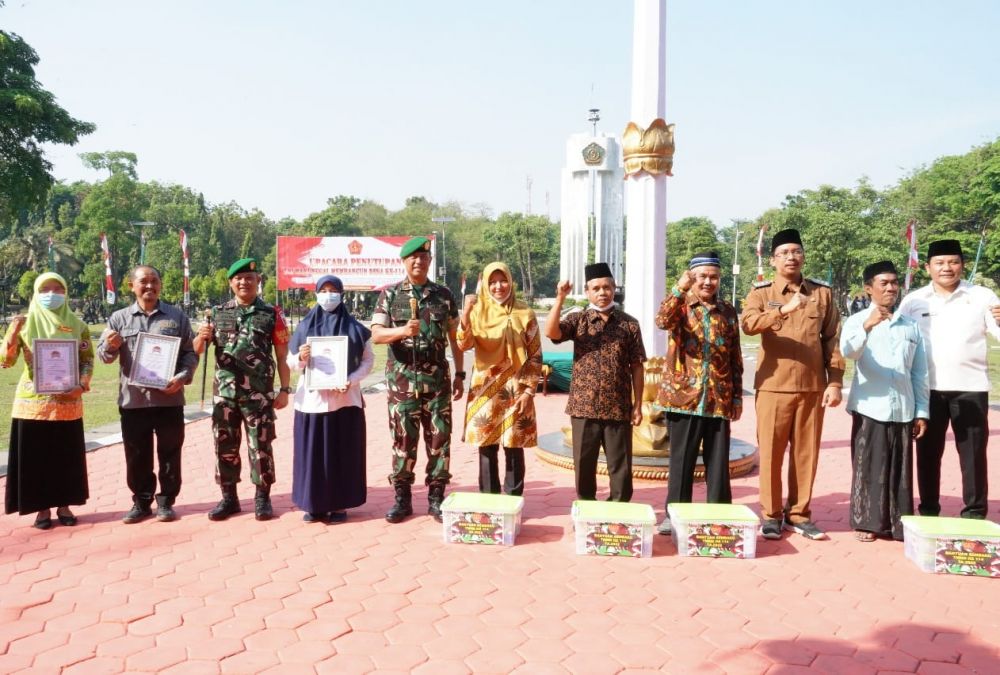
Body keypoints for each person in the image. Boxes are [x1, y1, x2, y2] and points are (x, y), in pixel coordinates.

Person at [742, 229, 844, 540]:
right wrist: (782, 310)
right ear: (773, 260)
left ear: (803, 256)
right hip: (773, 387)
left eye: (796, 251)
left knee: (806, 454)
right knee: (771, 454)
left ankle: (799, 514)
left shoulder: (822, 294)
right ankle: (771, 515)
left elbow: (832, 340)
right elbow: (748, 324)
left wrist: (835, 381)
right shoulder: (761, 293)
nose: (791, 257)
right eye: (784, 253)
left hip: (812, 387)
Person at [898, 240, 1000, 519]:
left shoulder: (982, 296)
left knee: (973, 454)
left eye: (953, 262)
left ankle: (975, 513)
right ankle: (929, 510)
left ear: (962, 265)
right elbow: (899, 339)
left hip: (971, 388)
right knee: (928, 454)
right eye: (940, 263)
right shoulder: (914, 301)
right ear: (927, 267)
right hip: (926, 391)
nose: (947, 268)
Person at [371, 236, 464, 523]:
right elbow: (376, 335)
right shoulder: (390, 295)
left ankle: (436, 498)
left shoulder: (443, 295)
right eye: (413, 257)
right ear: (404, 261)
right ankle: (402, 499)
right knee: (403, 440)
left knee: (440, 440)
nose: (419, 262)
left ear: (430, 261)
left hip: (437, 382)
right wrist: (401, 331)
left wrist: (460, 374)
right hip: (402, 382)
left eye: (424, 257)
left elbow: (455, 337)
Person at [98, 266, 198, 524]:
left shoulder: (176, 317)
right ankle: (141, 502)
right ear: (131, 286)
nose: (150, 286)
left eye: (155, 280)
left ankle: (166, 502)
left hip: (169, 399)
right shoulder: (119, 319)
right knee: (136, 455)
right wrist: (110, 346)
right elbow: (104, 356)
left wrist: (182, 377)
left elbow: (189, 353)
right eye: (144, 281)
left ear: (160, 285)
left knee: (170, 453)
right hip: (133, 401)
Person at [193, 257, 291, 521]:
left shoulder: (272, 314)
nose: (244, 282)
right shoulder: (217, 313)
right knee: (224, 446)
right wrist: (201, 336)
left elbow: (282, 355)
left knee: (261, 446)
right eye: (239, 278)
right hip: (225, 394)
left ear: (258, 281)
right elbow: (198, 350)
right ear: (231, 283)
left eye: (249, 278)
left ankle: (262, 498)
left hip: (258, 395)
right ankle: (229, 498)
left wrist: (285, 389)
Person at [653, 252, 743, 535]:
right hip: (683, 398)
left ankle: (719, 516)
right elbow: (661, 320)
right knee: (682, 461)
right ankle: (674, 514)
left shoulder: (727, 311)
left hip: (718, 397)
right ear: (691, 277)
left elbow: (735, 356)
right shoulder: (680, 306)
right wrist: (678, 289)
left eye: (713, 277)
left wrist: (737, 397)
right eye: (702, 276)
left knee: (718, 463)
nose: (708, 282)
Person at [841, 261, 929, 541]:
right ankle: (867, 522)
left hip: (903, 407)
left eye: (894, 282)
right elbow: (848, 352)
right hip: (870, 407)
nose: (891, 288)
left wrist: (922, 411)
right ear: (869, 289)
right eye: (884, 283)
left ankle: (898, 523)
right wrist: (867, 326)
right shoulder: (856, 321)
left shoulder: (911, 326)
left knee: (899, 470)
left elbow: (920, 372)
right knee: (869, 466)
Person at [544, 262, 646, 502]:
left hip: (618, 407)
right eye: (596, 288)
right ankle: (588, 510)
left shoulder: (629, 324)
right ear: (587, 292)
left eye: (607, 287)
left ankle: (618, 511)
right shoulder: (579, 320)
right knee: (583, 466)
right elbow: (552, 332)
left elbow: (637, 365)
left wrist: (638, 404)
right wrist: (560, 298)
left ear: (614, 288)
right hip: (583, 406)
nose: (602, 293)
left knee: (620, 468)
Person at [2, 273, 93, 529]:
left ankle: (64, 505)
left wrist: (81, 385)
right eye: (45, 289)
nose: (51, 294)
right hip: (32, 404)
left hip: (68, 403)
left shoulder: (78, 325)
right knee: (36, 458)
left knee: (65, 456)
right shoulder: (24, 324)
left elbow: (87, 359)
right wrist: (13, 333)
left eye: (57, 289)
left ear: (65, 293)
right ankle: (41, 509)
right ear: (35, 293)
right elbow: (5, 361)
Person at [287, 275, 373, 523]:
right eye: (323, 290)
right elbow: (291, 362)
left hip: (344, 400)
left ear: (341, 294)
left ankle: (339, 505)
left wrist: (351, 379)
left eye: (333, 290)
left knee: (341, 453)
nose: (328, 295)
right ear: (316, 294)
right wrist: (301, 358)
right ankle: (313, 505)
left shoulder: (356, 328)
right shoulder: (304, 327)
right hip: (311, 403)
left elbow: (368, 361)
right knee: (312, 455)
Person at [457, 262, 542, 496]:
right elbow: (463, 344)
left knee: (514, 445)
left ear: (511, 282)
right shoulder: (477, 311)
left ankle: (513, 499)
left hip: (517, 388)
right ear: (485, 284)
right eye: (492, 282)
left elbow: (535, 354)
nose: (498, 286)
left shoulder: (525, 312)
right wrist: (465, 314)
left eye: (503, 280)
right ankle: (489, 500)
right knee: (486, 444)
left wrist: (529, 391)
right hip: (485, 388)